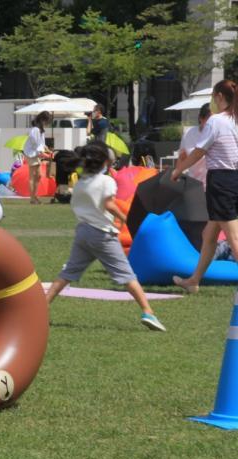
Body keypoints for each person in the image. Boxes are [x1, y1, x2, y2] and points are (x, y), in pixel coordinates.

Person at [45, 141, 166, 331]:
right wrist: (125, 218)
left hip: (83, 232)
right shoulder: (107, 181)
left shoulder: (81, 183)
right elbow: (109, 204)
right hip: (102, 234)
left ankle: (42, 308)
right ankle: (148, 312)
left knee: (68, 273)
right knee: (126, 274)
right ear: (104, 162)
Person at [171, 80, 238, 294]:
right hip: (233, 179)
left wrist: (178, 169)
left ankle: (193, 280)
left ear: (219, 96)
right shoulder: (235, 120)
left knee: (233, 237)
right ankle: (194, 280)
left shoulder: (216, 121)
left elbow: (199, 151)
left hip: (221, 181)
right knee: (209, 234)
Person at [177, 103, 212, 190]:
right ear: (201, 118)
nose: (213, 124)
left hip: (214, 185)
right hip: (194, 184)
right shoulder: (189, 133)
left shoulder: (218, 134)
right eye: (210, 120)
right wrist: (177, 175)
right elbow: (182, 157)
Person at [23, 111, 52, 205]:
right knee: (33, 176)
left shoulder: (41, 130)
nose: (47, 123)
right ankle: (32, 199)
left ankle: (34, 196)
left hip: (35, 153)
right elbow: (36, 145)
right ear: (43, 120)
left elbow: (42, 144)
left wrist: (48, 150)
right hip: (31, 153)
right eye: (47, 121)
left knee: (38, 176)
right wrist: (45, 154)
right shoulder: (35, 130)